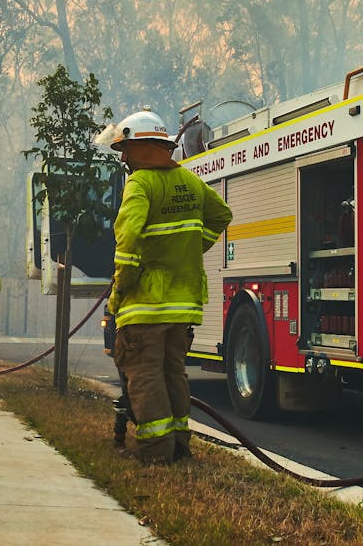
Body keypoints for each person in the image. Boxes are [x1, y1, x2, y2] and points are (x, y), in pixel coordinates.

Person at [105, 108, 232, 464]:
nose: (124, 158)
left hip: (146, 302)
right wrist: (190, 248)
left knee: (144, 374)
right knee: (172, 372)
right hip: (184, 302)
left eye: (125, 150)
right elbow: (222, 215)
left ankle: (156, 452)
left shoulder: (140, 184)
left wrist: (117, 295)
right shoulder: (190, 182)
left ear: (140, 148)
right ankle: (179, 446)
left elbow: (127, 244)